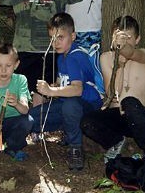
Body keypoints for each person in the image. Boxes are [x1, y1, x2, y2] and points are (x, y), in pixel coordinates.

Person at [80, 15, 145, 184]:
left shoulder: (143, 54)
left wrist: (125, 50)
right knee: (87, 122)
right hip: (117, 115)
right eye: (119, 36)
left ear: (137, 39)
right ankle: (115, 142)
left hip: (139, 116)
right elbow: (111, 92)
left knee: (129, 102)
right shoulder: (106, 57)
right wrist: (119, 65)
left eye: (128, 37)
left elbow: (131, 52)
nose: (123, 41)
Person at [28, 12, 102, 171]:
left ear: (73, 36)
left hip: (87, 106)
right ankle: (67, 128)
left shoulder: (76, 56)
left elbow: (77, 89)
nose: (55, 43)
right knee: (30, 118)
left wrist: (51, 91)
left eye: (60, 37)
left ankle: (75, 147)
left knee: (70, 105)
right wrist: (54, 85)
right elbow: (65, 81)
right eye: (52, 38)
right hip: (67, 105)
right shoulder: (62, 57)